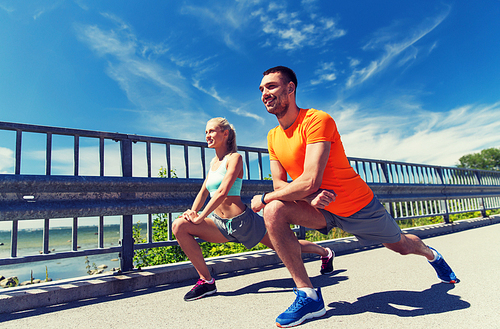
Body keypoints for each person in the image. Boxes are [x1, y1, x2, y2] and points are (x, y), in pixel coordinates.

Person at [251, 66, 458, 328]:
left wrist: (269, 196)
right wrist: (306, 198)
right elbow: (281, 182)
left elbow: (310, 178)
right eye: (261, 90)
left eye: (271, 87)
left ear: (290, 88)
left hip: (357, 205)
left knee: (402, 246)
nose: (264, 94)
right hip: (321, 208)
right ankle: (308, 295)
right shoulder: (272, 136)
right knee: (274, 210)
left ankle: (432, 255)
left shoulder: (316, 120)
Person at [172, 117, 334, 302]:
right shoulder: (213, 163)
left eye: (211, 131)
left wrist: (201, 217)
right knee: (179, 226)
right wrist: (192, 212)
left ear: (225, 134)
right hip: (219, 224)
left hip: (244, 223)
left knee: (289, 246)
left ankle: (325, 252)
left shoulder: (235, 158)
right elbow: (203, 192)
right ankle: (206, 281)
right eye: (206, 132)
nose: (207, 135)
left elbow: (223, 191)